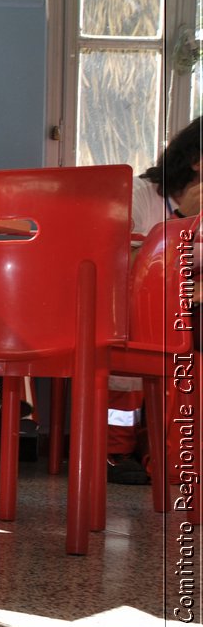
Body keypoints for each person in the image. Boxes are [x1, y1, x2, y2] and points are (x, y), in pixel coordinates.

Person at [109, 116, 203, 484]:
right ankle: (115, 450)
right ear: (196, 159)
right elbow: (125, 262)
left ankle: (172, 450)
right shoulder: (140, 194)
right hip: (134, 306)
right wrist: (182, 218)